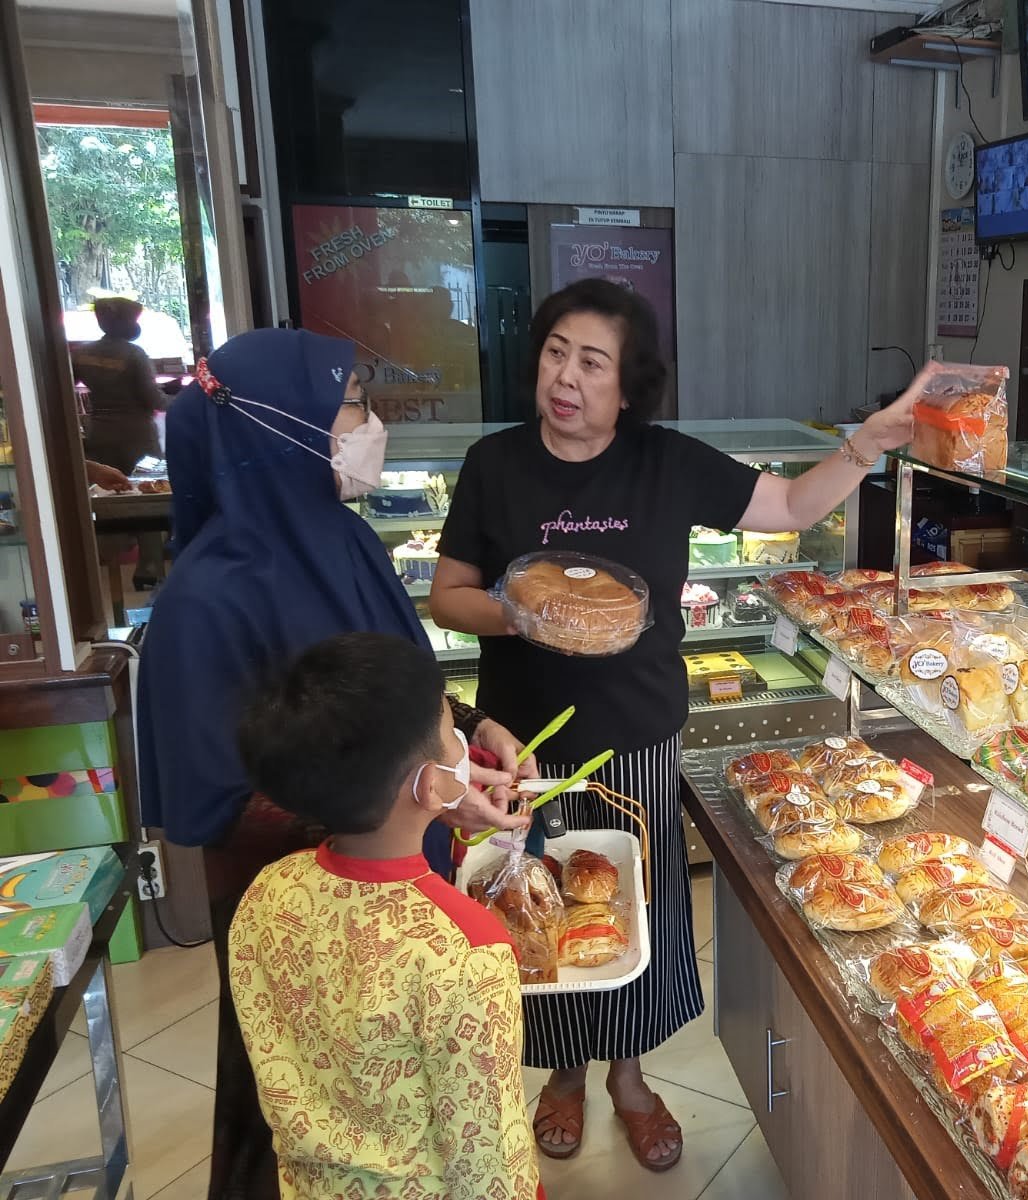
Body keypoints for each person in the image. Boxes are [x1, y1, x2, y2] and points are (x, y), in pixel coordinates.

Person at [429, 278, 927, 1172]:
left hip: (636, 737)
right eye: (554, 353)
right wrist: (530, 613)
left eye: (592, 361)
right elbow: (448, 596)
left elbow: (787, 508)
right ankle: (563, 1075)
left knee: (633, 906)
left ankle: (629, 1075)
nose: (566, 376)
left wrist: (866, 445)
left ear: (629, 385)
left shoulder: (664, 461)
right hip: (521, 742)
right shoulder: (493, 463)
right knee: (534, 903)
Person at [136, 327, 539, 1200]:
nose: (371, 420)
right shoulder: (204, 603)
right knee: (307, 1106)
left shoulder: (345, 540)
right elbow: (220, 804)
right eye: (353, 401)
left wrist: (467, 732)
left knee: (429, 1100)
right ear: (284, 423)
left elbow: (385, 691)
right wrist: (420, 791)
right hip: (303, 921)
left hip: (404, 872)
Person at [231, 632, 543, 1200]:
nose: (461, 747)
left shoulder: (266, 893)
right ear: (430, 785)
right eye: (453, 735)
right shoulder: (468, 950)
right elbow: (487, 1158)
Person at [72, 297, 166, 587]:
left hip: (99, 431)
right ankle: (148, 568)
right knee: (149, 498)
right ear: (127, 322)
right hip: (137, 433)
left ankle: (108, 565)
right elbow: (153, 399)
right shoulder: (134, 355)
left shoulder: (82, 354)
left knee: (108, 497)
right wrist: (182, 399)